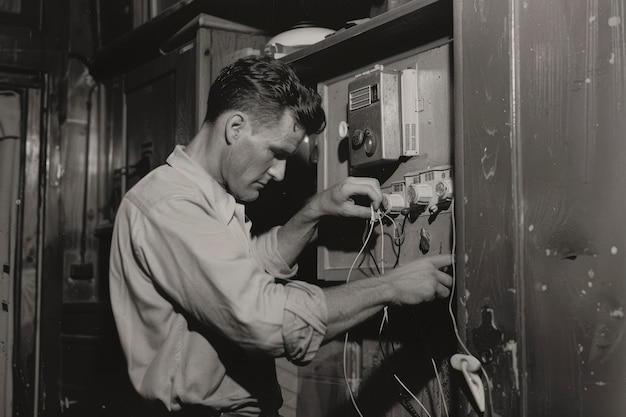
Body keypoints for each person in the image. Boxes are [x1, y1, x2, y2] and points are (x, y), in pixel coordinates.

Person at [109, 55, 452, 417]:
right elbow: (262, 318)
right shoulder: (171, 206)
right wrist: (390, 287)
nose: (280, 173)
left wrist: (313, 212)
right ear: (235, 127)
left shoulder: (203, 197)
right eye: (275, 153)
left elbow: (239, 273)